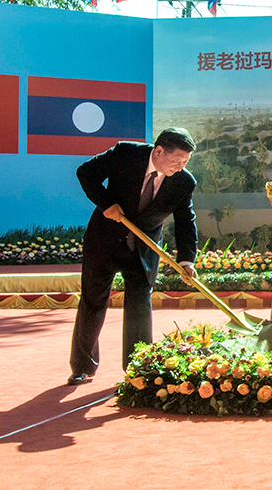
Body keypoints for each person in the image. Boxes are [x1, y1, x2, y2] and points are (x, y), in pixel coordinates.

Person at [68, 128, 199, 385]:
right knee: (93, 302)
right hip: (104, 241)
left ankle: (138, 369)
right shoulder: (125, 153)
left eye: (185, 162)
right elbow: (86, 172)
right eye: (177, 160)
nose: (180, 167)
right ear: (158, 151)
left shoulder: (184, 181)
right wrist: (106, 204)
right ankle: (83, 366)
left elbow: (186, 221)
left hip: (143, 248)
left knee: (139, 306)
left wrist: (187, 260)